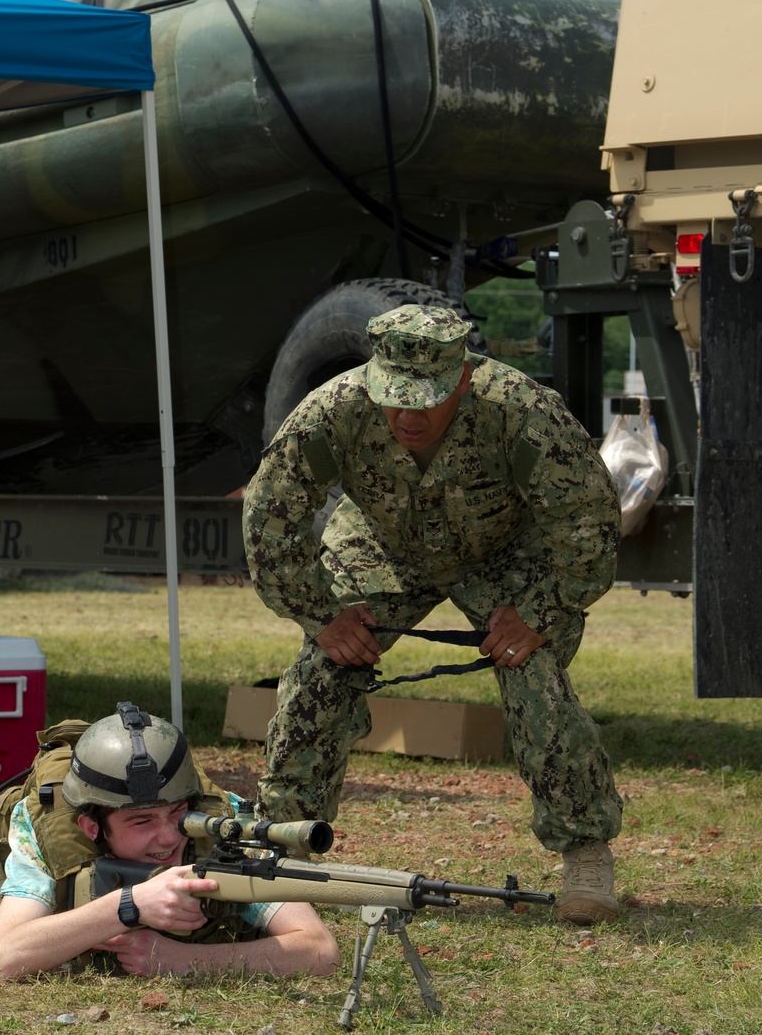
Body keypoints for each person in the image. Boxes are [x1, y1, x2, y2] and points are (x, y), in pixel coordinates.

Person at [243, 304, 624, 927]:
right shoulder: (335, 410)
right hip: (384, 544)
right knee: (321, 672)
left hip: (507, 550)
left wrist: (538, 613)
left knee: (534, 677)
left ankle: (585, 850)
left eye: (427, 399)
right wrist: (322, 616)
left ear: (465, 380)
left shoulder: (520, 410)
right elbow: (270, 516)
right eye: (394, 398)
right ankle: (284, 842)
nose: (408, 416)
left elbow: (588, 521)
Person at [0, 705, 339, 981]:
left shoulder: (221, 828)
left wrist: (180, 961)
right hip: (14, 835)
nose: (167, 838)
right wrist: (128, 905)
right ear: (93, 827)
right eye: (141, 821)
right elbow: (8, 957)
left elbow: (317, 949)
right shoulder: (54, 835)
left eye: (178, 815)